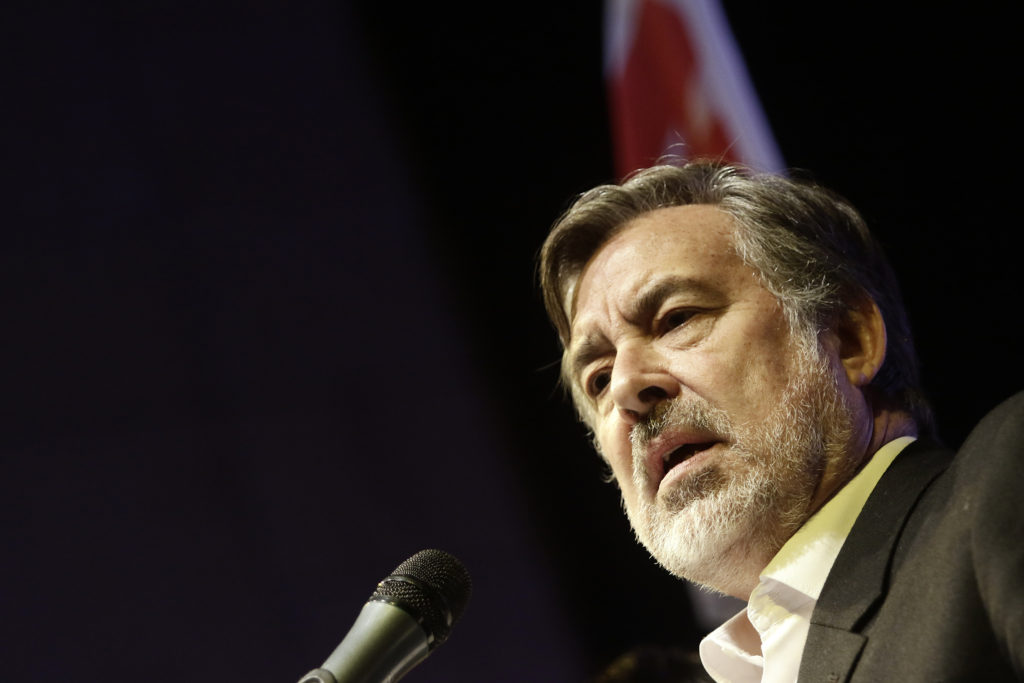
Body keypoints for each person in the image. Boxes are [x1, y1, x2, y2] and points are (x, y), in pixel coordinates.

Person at [538, 160, 1023, 681]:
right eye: (598, 379)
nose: (626, 387)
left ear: (849, 338)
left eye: (677, 319)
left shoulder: (1005, 478)